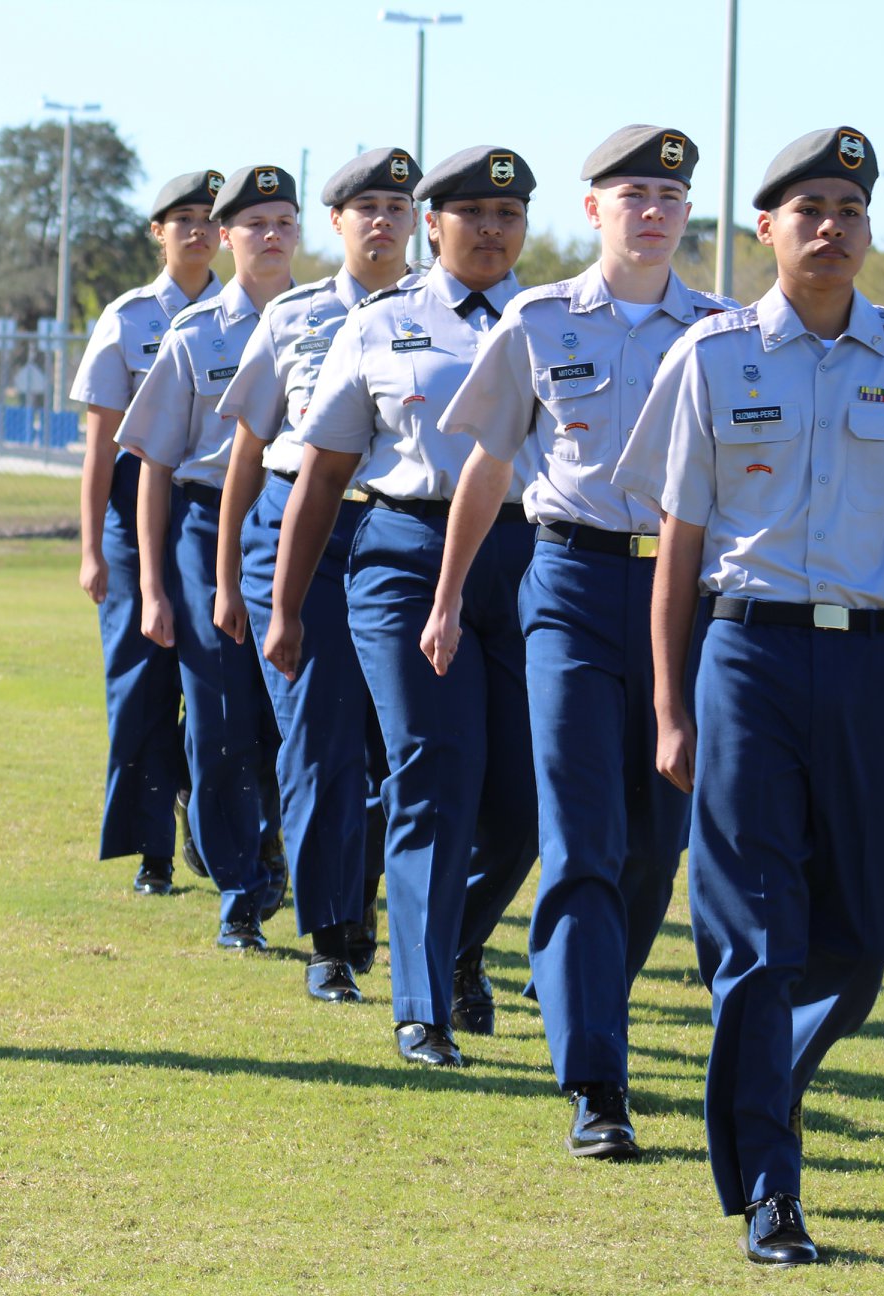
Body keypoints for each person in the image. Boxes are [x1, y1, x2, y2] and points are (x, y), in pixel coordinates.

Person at [614, 126, 884, 1265]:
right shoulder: (714, 356)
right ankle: (770, 1189)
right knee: (754, 933)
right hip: (747, 661)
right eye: (808, 209)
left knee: (866, 933)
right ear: (764, 233)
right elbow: (677, 541)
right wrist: (670, 701)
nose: (831, 226)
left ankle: (757, 1080)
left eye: (850, 206)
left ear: (870, 228)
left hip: (872, 664)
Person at [424, 125, 734, 1156]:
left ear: (686, 214)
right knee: (584, 836)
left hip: (683, 596)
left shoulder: (725, 333)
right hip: (570, 581)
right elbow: (488, 464)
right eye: (632, 192)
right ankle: (597, 1083)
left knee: (656, 846)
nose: (652, 211)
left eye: (669, 195)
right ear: (594, 209)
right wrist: (449, 592)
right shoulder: (538, 318)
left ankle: (573, 971)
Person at [270, 146, 538, 1065]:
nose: (493, 231)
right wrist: (287, 606)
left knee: (525, 800)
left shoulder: (557, 324)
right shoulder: (381, 325)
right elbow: (325, 472)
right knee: (434, 772)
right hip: (405, 558)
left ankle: (455, 941)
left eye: (509, 216)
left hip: (533, 561)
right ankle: (421, 1007)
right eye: (474, 215)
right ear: (435, 225)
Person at [212, 148, 420, 1000]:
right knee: (317, 742)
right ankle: (330, 939)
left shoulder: (444, 317)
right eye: (364, 205)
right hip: (297, 531)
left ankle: (367, 900)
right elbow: (248, 452)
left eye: (397, 206)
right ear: (333, 224)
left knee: (395, 745)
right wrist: (228, 578)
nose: (382, 220)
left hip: (397, 532)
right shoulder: (292, 317)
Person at [117, 165, 300, 950]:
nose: (270, 236)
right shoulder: (194, 335)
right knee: (221, 710)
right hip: (204, 521)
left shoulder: (333, 322)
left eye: (284, 222)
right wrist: (154, 588)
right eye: (253, 223)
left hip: (300, 521)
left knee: (287, 716)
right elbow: (154, 463)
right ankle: (239, 888)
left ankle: (270, 840)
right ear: (225, 238)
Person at [73, 172, 224, 896]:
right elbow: (100, 444)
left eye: (208, 218)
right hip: (133, 511)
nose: (197, 230)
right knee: (141, 678)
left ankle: (211, 808)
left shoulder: (245, 313)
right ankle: (150, 851)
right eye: (182, 218)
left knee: (218, 675)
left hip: (213, 509)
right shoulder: (128, 319)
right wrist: (91, 548)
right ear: (156, 232)